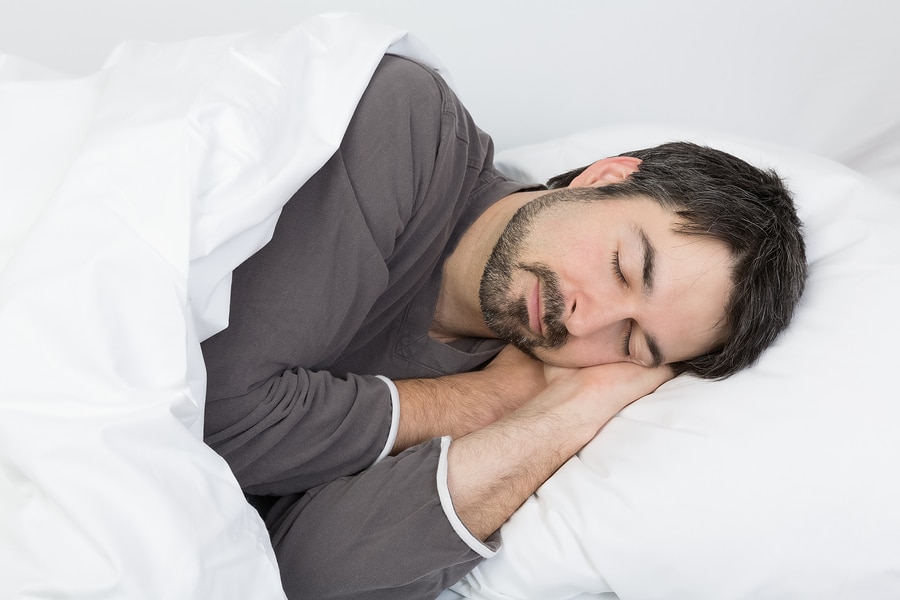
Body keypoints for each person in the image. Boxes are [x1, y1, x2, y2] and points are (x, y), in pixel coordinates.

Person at [201, 54, 806, 600]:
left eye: (629, 340)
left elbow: (302, 579)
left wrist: (562, 414)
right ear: (604, 179)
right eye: (622, 267)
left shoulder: (532, 396)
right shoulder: (410, 124)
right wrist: (495, 398)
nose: (586, 319)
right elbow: (209, 421)